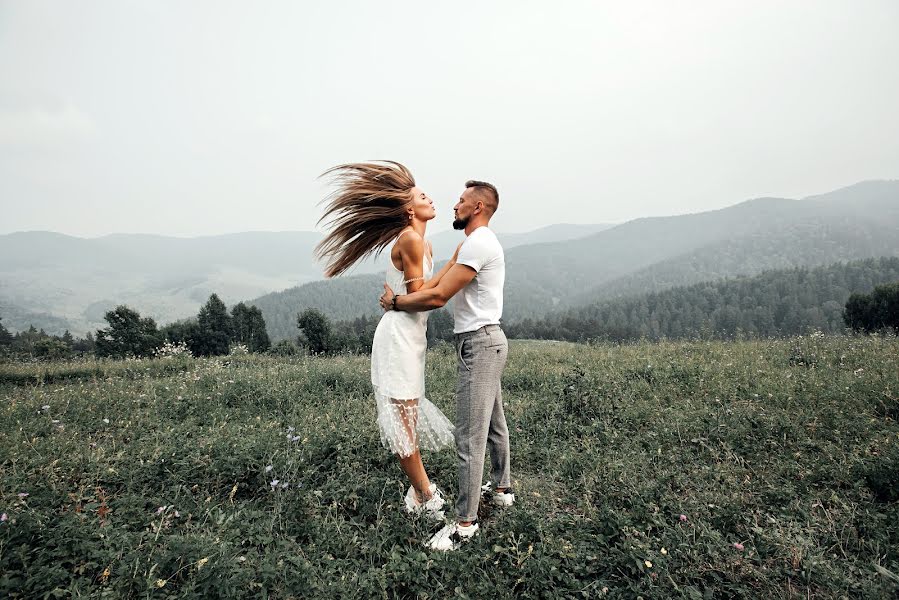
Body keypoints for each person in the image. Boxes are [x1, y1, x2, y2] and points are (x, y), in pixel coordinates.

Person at [316, 161, 457, 519]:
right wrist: (396, 301)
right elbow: (420, 298)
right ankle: (425, 496)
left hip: (412, 337)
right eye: (422, 196)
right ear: (410, 209)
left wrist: (451, 265)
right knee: (402, 421)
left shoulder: (422, 244)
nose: (431, 198)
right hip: (399, 339)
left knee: (407, 414)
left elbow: (422, 290)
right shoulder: (410, 239)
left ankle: (417, 493)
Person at [379, 179, 514, 551]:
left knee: (469, 436)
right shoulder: (471, 243)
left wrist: (394, 304)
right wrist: (408, 299)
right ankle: (502, 490)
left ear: (478, 208)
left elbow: (437, 296)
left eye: (462, 201)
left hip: (480, 342)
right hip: (486, 340)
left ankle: (464, 524)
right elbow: (435, 284)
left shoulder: (478, 243)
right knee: (494, 423)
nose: (454, 205)